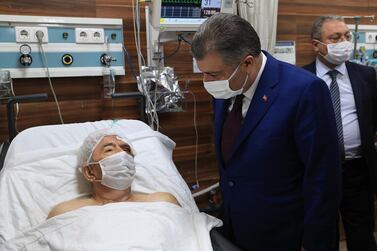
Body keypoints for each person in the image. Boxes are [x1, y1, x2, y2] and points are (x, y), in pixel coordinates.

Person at [191, 13, 341, 251]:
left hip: (284, 234)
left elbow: (323, 177)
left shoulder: (304, 91)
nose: (206, 81)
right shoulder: (227, 88)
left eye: (213, 74)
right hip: (236, 228)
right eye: (203, 72)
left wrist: (313, 243)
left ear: (247, 63)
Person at [303, 15, 377, 251]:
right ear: (316, 45)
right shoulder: (301, 80)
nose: (344, 42)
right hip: (318, 173)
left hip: (357, 170)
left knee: (362, 233)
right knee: (322, 235)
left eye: (347, 36)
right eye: (335, 38)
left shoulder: (366, 75)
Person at [47, 129, 180, 219]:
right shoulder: (66, 213)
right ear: (89, 172)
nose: (122, 154)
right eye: (109, 149)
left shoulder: (162, 202)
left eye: (126, 149)